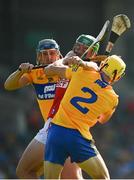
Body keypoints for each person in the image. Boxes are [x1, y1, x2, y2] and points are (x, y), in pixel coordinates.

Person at [4, 38, 82, 179]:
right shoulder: (35, 73)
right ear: (38, 56)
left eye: (52, 53)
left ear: (58, 55)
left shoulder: (66, 70)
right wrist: (20, 71)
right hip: (49, 129)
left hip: (68, 128)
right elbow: (8, 85)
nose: (48, 57)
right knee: (24, 171)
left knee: (71, 177)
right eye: (44, 54)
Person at [43, 55, 126, 179]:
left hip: (56, 133)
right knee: (103, 177)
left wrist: (65, 61)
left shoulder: (82, 72)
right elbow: (103, 120)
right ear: (118, 77)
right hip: (78, 138)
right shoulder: (113, 99)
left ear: (102, 64)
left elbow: (49, 70)